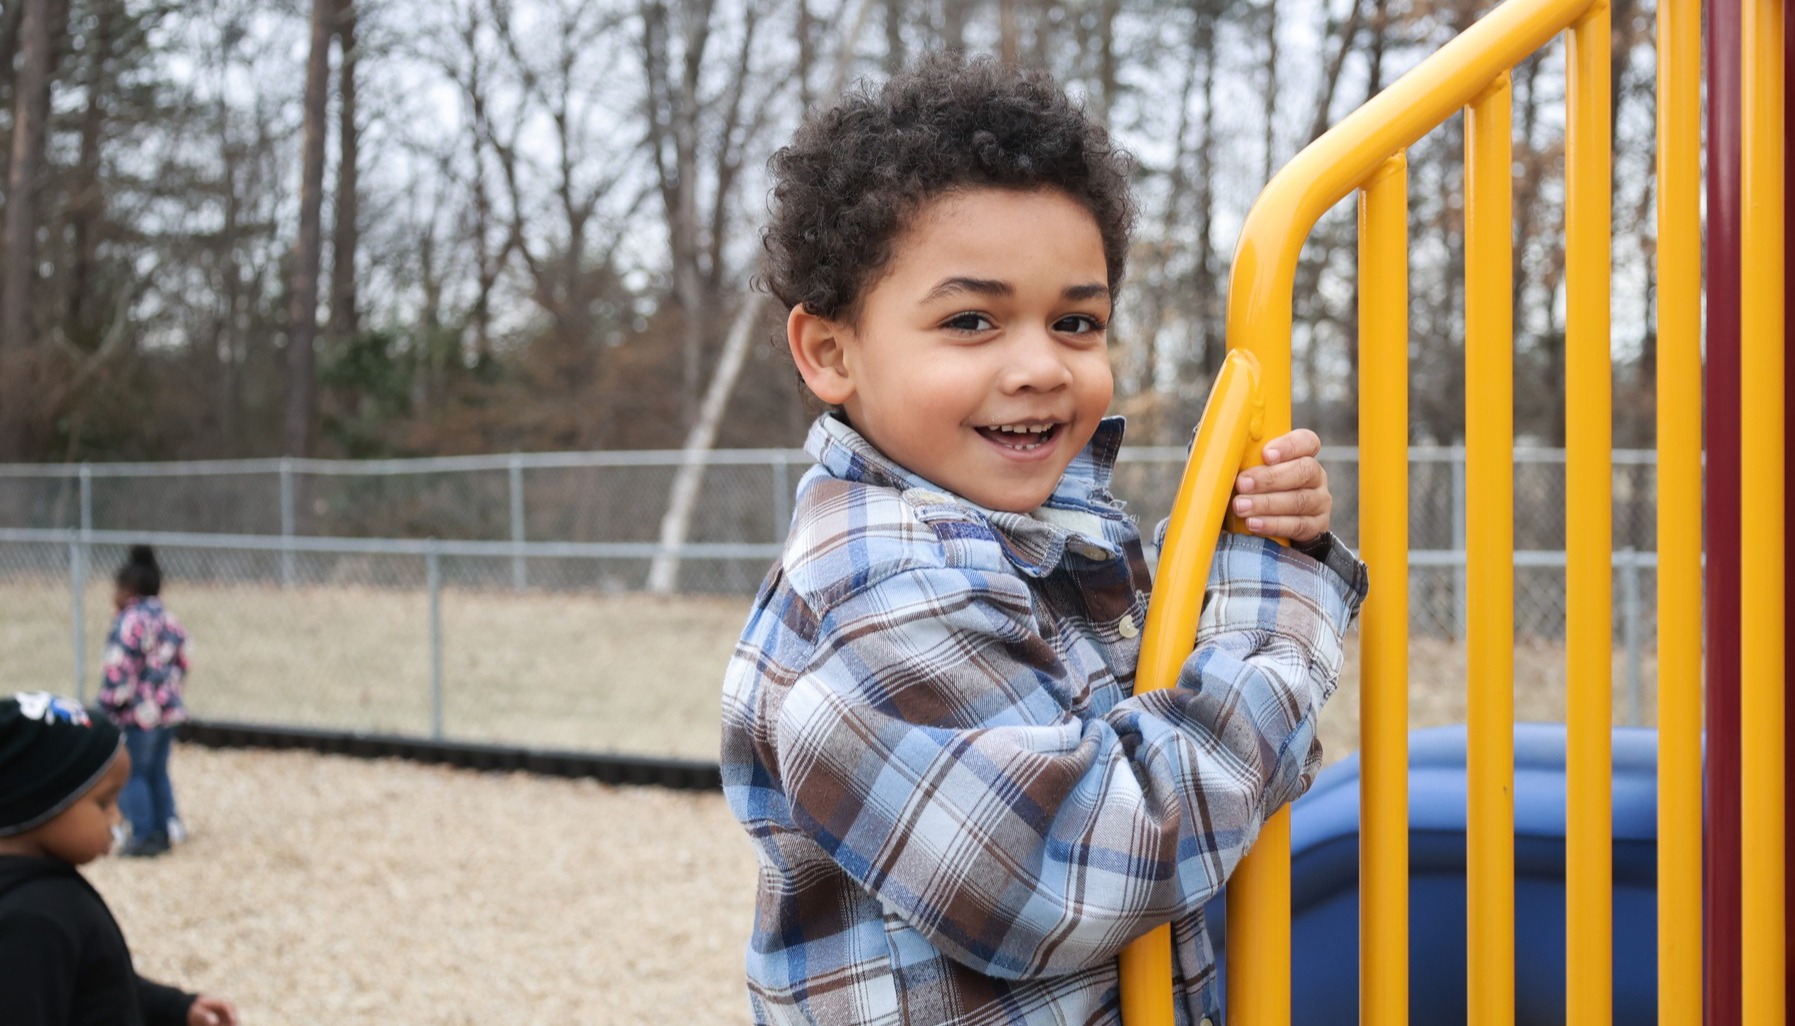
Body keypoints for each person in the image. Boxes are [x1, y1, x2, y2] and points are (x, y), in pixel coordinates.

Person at [720, 53, 1369, 1026]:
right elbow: (1081, 869)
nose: (1039, 366)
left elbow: (1178, 725)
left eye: (1076, 322)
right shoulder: (878, 592)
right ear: (830, 351)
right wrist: (1270, 616)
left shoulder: (1033, 533)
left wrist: (1261, 545)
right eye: (972, 320)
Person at [0, 691, 238, 1025]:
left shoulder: (42, 895)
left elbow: (96, 982)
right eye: (104, 803)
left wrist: (171, 1007)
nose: (118, 819)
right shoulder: (31, 923)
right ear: (37, 803)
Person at [99, 546, 190, 858]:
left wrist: (109, 707)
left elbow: (118, 668)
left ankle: (143, 833)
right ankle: (165, 828)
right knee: (157, 771)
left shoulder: (129, 622)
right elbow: (183, 663)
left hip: (139, 714)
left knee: (133, 773)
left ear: (128, 590)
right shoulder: (170, 620)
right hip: (168, 711)